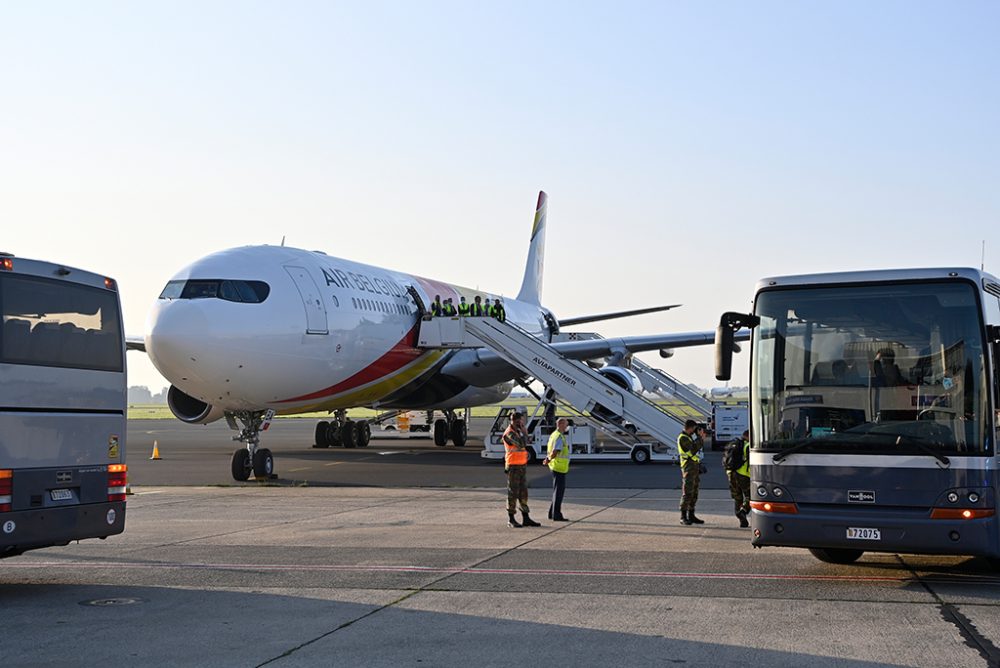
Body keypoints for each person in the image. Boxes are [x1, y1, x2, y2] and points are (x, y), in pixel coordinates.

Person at [503, 411, 541, 528]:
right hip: (513, 466)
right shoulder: (509, 433)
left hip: (521, 466)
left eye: (521, 421)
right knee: (513, 492)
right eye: (517, 421)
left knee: (523, 492)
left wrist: (523, 433)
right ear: (512, 421)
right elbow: (522, 444)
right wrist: (525, 433)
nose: (520, 423)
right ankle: (511, 519)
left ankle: (526, 517)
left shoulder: (517, 432)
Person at [677, 419, 706, 525]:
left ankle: (691, 515)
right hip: (688, 469)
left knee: (694, 493)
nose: (695, 431)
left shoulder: (688, 437)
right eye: (694, 429)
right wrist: (700, 438)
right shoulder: (683, 438)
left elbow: (695, 451)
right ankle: (683, 517)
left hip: (694, 468)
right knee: (687, 493)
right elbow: (693, 450)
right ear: (690, 427)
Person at [543, 418, 571, 522]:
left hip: (555, 466)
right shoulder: (559, 436)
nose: (567, 427)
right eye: (566, 424)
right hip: (558, 467)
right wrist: (548, 459)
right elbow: (555, 451)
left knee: (556, 491)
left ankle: (552, 513)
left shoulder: (554, 435)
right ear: (560, 424)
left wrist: (547, 459)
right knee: (559, 492)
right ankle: (557, 515)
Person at [727, 430, 751, 528]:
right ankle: (743, 510)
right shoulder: (748, 446)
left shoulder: (734, 444)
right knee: (751, 496)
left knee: (737, 497)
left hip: (731, 473)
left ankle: (742, 520)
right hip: (743, 474)